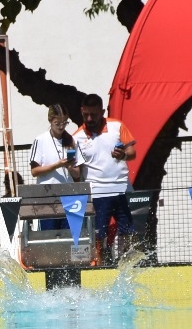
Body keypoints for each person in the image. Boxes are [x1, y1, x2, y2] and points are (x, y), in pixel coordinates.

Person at [73, 94, 136, 263]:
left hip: (122, 188)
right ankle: (99, 265)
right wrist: (69, 166)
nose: (89, 118)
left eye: (93, 114)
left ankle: (126, 262)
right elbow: (76, 173)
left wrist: (123, 155)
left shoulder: (117, 126)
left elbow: (132, 153)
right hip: (97, 192)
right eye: (86, 114)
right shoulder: (77, 137)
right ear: (81, 111)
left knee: (128, 230)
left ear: (102, 112)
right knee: (99, 232)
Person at [28, 104, 79, 230]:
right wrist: (57, 165)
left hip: (69, 197)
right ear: (50, 121)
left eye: (64, 123)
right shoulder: (40, 140)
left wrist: (69, 167)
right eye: (57, 123)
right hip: (48, 197)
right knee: (50, 237)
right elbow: (34, 171)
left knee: (71, 239)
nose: (61, 127)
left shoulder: (71, 140)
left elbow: (78, 174)